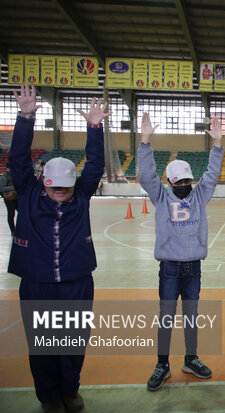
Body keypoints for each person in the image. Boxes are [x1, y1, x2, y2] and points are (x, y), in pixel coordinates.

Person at [9, 85, 109, 413]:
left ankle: (69, 389)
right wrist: (26, 117)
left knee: (72, 342)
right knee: (42, 344)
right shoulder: (27, 192)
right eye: (56, 188)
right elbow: (18, 159)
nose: (62, 193)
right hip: (36, 281)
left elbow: (94, 164)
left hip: (77, 280)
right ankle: (49, 396)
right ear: (44, 182)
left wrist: (94, 127)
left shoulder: (81, 194)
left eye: (68, 187)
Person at [138, 112, 223, 391]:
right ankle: (162, 364)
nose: (185, 187)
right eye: (180, 183)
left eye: (188, 181)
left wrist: (217, 146)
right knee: (165, 317)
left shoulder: (199, 195)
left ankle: (191, 358)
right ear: (171, 182)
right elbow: (147, 176)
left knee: (191, 316)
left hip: (193, 268)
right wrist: (145, 142)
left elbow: (211, 176)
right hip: (170, 269)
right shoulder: (161, 196)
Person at [0, 166, 18, 235]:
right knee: (11, 214)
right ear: (7, 168)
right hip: (9, 199)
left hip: (17, 198)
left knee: (22, 213)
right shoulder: (4, 177)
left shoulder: (16, 175)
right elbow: (1, 188)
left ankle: (20, 228)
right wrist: (13, 187)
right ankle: (13, 230)